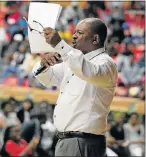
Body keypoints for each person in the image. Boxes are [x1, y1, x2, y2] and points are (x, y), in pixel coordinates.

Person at [32, 18, 118, 156]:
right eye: (74, 32)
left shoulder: (106, 64)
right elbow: (47, 78)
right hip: (67, 140)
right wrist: (45, 63)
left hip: (83, 141)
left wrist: (60, 45)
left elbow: (87, 70)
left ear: (95, 39)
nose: (74, 36)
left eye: (79, 32)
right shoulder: (73, 63)